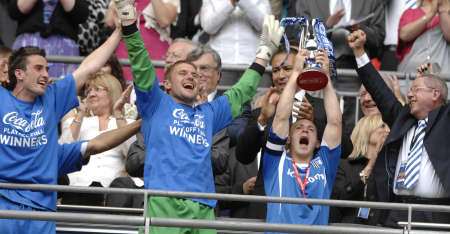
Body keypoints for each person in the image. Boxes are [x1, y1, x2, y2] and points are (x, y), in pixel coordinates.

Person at [116, 0, 284, 231]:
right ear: (166, 83)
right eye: (183, 72)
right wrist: (128, 24)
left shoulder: (209, 113)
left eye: (195, 75)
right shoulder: (155, 104)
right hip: (163, 204)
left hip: (204, 208)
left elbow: (241, 91)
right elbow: (142, 65)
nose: (191, 77)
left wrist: (263, 54)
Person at [0, 29, 121, 234]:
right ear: (18, 73)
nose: (46, 75)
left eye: (47, 69)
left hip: (41, 209)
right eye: (38, 68)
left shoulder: (52, 98)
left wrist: (119, 31)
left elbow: (88, 67)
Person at [348, 29, 450, 227]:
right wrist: (360, 52)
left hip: (437, 213)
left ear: (436, 94)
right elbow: (378, 89)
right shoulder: (402, 118)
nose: (409, 95)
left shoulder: (447, 120)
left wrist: (433, 74)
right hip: (397, 212)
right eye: (409, 90)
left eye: (416, 90)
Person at [263, 48, 341, 226]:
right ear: (288, 139)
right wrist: (296, 73)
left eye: (311, 129)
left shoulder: (324, 162)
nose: (305, 130)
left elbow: (335, 123)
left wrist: (326, 79)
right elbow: (281, 117)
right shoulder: (276, 162)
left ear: (317, 143)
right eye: (298, 128)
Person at [59, 73, 135, 206]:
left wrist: (118, 114)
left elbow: (133, 156)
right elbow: (63, 153)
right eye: (88, 91)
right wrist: (80, 114)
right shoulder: (77, 121)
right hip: (77, 188)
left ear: (112, 92)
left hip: (113, 192)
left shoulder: (126, 122)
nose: (91, 94)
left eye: (97, 89)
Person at [329, 114, 389, 224]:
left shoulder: (388, 168)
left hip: (379, 228)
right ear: (366, 131)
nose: (388, 130)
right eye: (383, 126)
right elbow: (340, 199)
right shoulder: (344, 165)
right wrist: (371, 164)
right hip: (348, 227)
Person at [8, 0, 89, 78]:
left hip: (63, 49)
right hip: (29, 44)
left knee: (61, 86)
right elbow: (15, 11)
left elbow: (80, 15)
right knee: (25, 80)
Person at [397, 0, 450, 73]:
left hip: (441, 73)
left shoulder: (446, 15)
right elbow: (404, 35)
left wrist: (443, 9)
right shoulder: (411, 13)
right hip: (412, 72)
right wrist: (430, 14)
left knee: (433, 72)